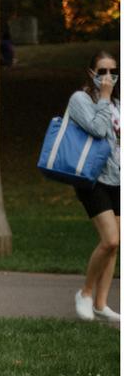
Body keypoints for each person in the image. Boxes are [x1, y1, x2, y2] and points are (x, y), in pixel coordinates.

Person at [67, 51, 120, 324]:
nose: (108, 77)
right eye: (102, 72)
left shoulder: (118, 105)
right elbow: (98, 130)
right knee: (110, 239)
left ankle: (100, 305)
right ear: (91, 74)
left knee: (114, 246)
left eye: (113, 71)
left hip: (117, 180)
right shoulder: (81, 99)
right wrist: (104, 98)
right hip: (92, 179)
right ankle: (85, 293)